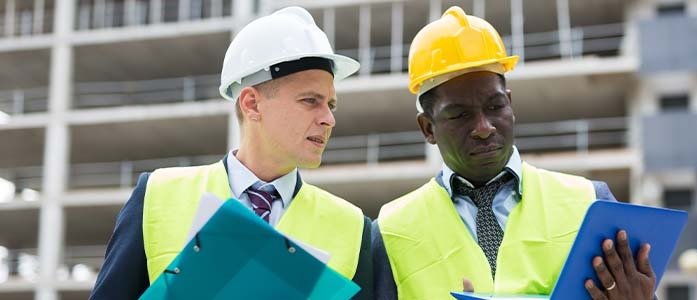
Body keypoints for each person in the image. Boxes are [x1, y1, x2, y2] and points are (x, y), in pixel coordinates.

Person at [372, 6, 655, 300]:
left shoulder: (589, 203)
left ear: (510, 104)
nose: (483, 127)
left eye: (495, 107)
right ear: (427, 128)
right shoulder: (392, 231)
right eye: (459, 115)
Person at [90, 7, 373, 300]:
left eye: (331, 105)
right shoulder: (156, 196)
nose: (329, 119)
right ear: (251, 104)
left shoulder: (353, 227)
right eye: (310, 101)